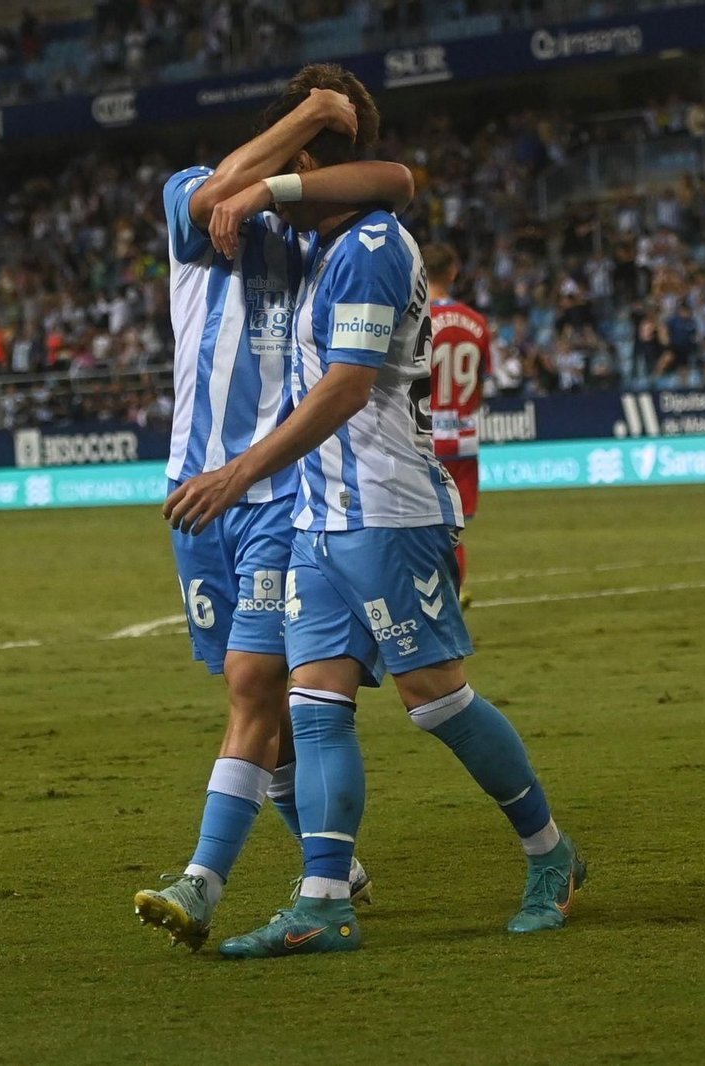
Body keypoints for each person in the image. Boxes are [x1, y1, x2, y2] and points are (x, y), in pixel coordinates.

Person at [165, 64, 585, 960]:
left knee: (438, 704)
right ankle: (323, 901)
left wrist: (238, 473)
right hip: (321, 515)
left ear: (314, 167)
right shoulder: (325, 247)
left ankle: (552, 856)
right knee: (313, 710)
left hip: (388, 512)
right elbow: (367, 177)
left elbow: (349, 390)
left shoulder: (370, 248)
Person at [131, 75, 415, 952]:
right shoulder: (193, 194)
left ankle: (205, 881)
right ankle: (334, 864)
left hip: (280, 492)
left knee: (258, 687)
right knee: (249, 694)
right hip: (197, 493)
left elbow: (397, 182)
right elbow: (216, 194)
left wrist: (307, 156)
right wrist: (308, 118)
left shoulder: (326, 234)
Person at [423, 242, 490, 608]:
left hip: (424, 437)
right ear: (453, 272)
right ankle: (457, 588)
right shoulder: (477, 322)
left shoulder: (415, 318)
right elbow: (479, 382)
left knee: (419, 522)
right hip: (464, 436)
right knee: (454, 525)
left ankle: (433, 591)